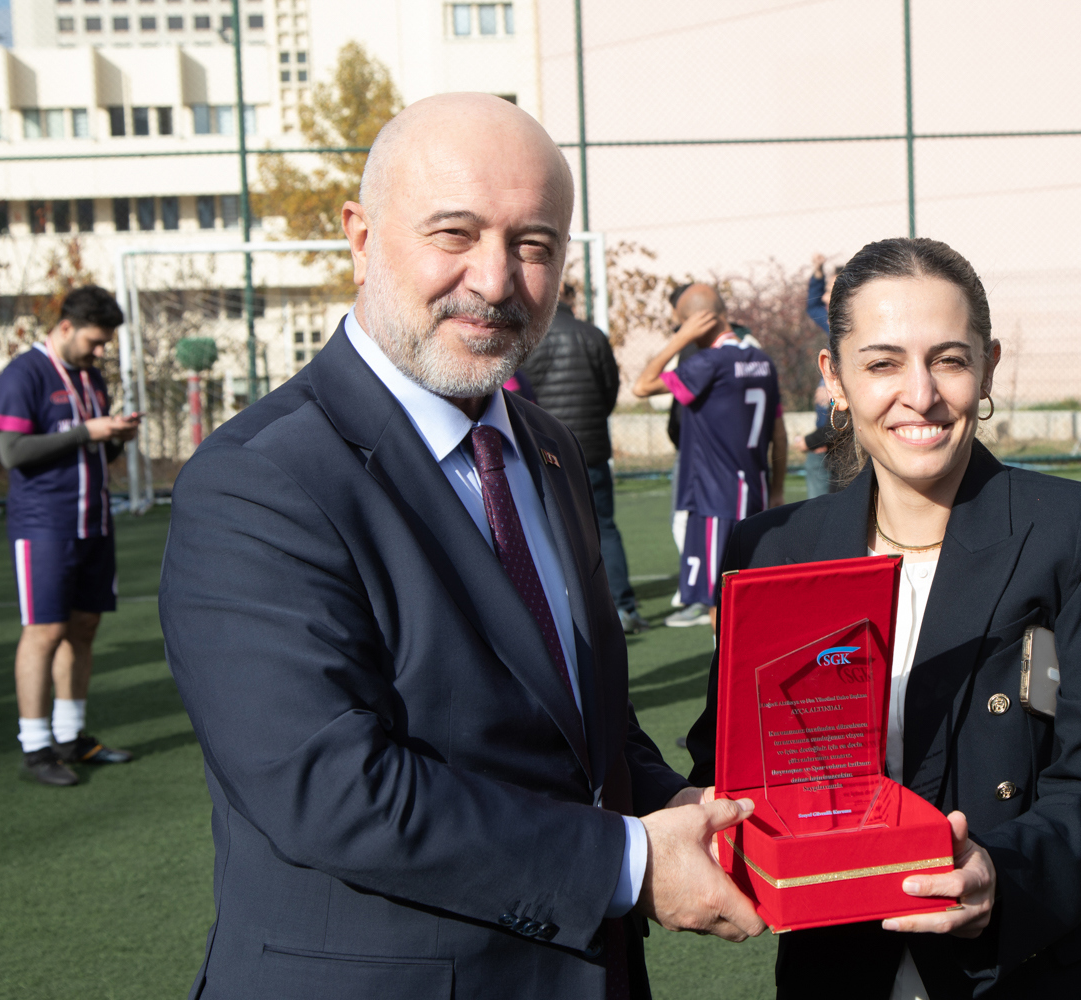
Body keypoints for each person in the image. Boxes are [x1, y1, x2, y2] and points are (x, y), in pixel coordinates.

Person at [159, 93, 764, 1000]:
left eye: (534, 244)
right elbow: (332, 789)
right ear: (361, 238)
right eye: (455, 233)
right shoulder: (258, 479)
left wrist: (668, 802)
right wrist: (632, 862)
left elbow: (577, 717)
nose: (495, 278)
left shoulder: (545, 449)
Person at [685, 237, 1081, 999]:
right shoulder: (773, 550)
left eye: (948, 360)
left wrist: (1001, 878)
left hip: (1039, 966)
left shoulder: (1073, 528)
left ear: (988, 367)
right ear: (835, 377)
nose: (920, 394)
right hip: (840, 968)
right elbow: (728, 762)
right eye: (883, 363)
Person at [0, 285, 140, 786]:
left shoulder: (91, 377)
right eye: (95, 341)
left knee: (84, 627)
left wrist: (115, 437)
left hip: (94, 521)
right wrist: (87, 432)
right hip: (44, 525)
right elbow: (12, 452)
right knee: (45, 632)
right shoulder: (24, 373)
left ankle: (71, 737)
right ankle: (36, 748)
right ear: (67, 327)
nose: (100, 352)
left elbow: (96, 450)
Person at [633, 284, 786, 628]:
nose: (680, 331)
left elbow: (642, 385)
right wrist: (777, 489)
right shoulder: (763, 361)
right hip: (757, 493)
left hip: (716, 500)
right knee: (753, 594)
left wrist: (679, 340)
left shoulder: (708, 363)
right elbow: (779, 434)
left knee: (720, 602)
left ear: (698, 321)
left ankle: (725, 663)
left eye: (681, 324)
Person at [521, 283, 646, 634]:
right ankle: (623, 606)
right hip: (591, 447)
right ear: (573, 299)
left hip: (543, 447)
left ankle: (567, 615)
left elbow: (522, 394)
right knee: (604, 526)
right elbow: (610, 390)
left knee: (546, 530)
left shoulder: (531, 335)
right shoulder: (593, 335)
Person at [795, 253, 836, 497]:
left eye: (830, 290)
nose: (824, 297)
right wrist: (818, 273)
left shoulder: (853, 332)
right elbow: (812, 306)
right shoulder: (834, 326)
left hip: (836, 437)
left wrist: (834, 388)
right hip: (827, 434)